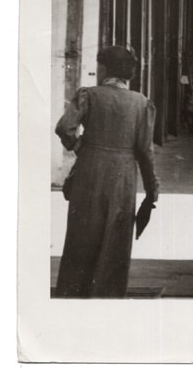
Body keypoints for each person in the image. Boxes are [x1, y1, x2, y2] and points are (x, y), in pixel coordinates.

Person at [54, 45, 159, 298]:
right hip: (123, 176)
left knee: (81, 236)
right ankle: (107, 300)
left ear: (104, 68)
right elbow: (145, 151)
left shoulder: (89, 95)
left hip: (90, 173)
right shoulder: (141, 103)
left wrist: (82, 148)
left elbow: (65, 128)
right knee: (116, 240)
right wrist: (152, 189)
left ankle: (72, 296)